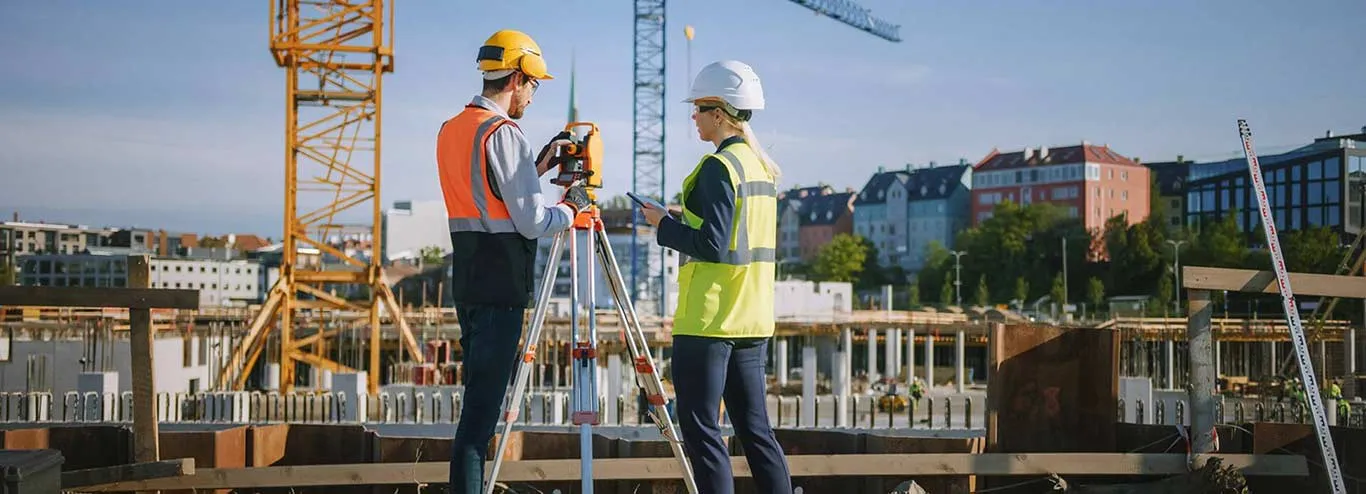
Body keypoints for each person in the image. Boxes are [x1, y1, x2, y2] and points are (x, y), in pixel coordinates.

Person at [435, 29, 591, 493]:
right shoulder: (505, 133)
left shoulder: (454, 128)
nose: (533, 95)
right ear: (518, 78)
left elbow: (484, 194)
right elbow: (530, 222)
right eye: (534, 85)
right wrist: (572, 209)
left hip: (468, 282)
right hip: (502, 287)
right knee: (478, 424)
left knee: (476, 407)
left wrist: (534, 168)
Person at [638, 60, 792, 494]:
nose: (694, 117)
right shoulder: (761, 168)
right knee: (756, 431)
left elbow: (713, 244)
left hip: (709, 321)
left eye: (699, 109)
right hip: (752, 318)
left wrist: (661, 225)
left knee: (704, 433)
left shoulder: (719, 168)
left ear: (720, 113)